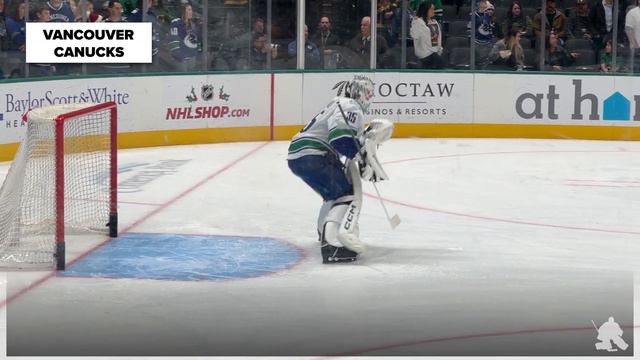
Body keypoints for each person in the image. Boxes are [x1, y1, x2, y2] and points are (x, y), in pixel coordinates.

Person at [287, 75, 393, 264]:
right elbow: (341, 139)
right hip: (314, 155)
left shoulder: (340, 104)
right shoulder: (350, 106)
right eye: (368, 94)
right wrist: (361, 157)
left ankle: (323, 233)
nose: (369, 98)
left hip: (299, 155)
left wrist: (361, 153)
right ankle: (333, 245)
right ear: (359, 93)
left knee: (333, 195)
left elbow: (345, 141)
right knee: (346, 195)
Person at [410, 0, 444, 69]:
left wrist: (439, 50)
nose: (433, 11)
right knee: (439, 62)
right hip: (424, 55)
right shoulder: (418, 22)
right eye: (431, 9)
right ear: (425, 10)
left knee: (440, 61)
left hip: (435, 53)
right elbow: (414, 35)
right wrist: (414, 22)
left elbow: (438, 38)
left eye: (433, 9)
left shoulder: (435, 22)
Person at [168, 3, 201, 72]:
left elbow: (195, 41)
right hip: (182, 59)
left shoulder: (192, 24)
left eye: (191, 10)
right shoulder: (176, 22)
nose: (191, 12)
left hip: (192, 57)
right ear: (183, 11)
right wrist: (179, 56)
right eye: (189, 10)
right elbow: (173, 40)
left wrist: (197, 53)